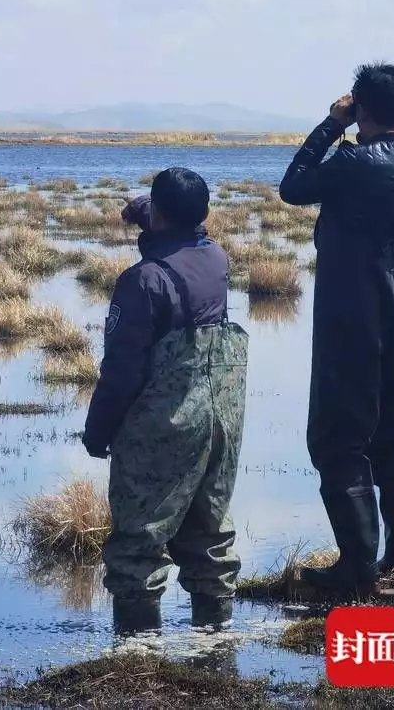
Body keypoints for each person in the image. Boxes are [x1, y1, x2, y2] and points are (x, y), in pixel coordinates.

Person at [279, 63, 394, 598]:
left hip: (345, 321)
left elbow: (293, 187)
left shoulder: (351, 162)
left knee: (337, 442)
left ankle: (357, 569)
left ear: (362, 110)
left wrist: (330, 126)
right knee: (389, 440)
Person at [82, 167, 249, 634]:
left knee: (138, 543)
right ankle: (216, 647)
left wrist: (98, 432)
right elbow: (184, 236)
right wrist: (147, 212)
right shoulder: (216, 259)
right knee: (208, 534)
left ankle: (137, 655)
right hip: (219, 421)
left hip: (163, 425)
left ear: (158, 215)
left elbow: (122, 370)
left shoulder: (142, 281)